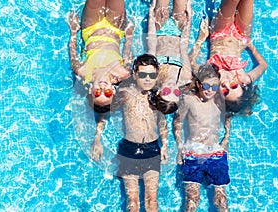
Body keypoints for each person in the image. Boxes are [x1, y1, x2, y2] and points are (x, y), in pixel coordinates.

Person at [91, 54, 169, 212]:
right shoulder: (125, 93)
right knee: (132, 202)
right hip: (129, 150)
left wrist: (165, 144)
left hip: (152, 149)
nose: (147, 79)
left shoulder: (157, 97)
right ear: (135, 75)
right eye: (142, 74)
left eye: (152, 75)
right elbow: (105, 112)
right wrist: (97, 139)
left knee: (152, 200)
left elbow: (162, 121)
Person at [189, 0, 268, 115]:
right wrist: (251, 47)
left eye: (225, 92)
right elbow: (264, 65)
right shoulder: (244, 78)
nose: (227, 85)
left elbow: (190, 62)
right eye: (233, 86)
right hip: (242, 35)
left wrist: (200, 40)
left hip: (219, 33)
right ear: (240, 85)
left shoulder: (211, 75)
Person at [174, 64, 229, 212]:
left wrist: (226, 140)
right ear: (198, 84)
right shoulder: (189, 100)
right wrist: (179, 147)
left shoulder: (219, 101)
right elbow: (177, 122)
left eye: (214, 86)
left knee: (221, 198)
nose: (210, 90)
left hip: (215, 152)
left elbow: (228, 119)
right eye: (206, 85)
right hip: (193, 152)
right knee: (192, 198)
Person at [68, 0, 134, 112]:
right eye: (107, 93)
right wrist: (129, 36)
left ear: (90, 90)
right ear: (113, 91)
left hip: (91, 27)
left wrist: (73, 31)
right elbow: (127, 53)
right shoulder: (124, 73)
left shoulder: (81, 71)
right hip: (115, 28)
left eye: (97, 93)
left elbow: (73, 50)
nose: (102, 88)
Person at [147, 0, 193, 114]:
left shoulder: (154, 75)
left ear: (158, 92)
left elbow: (152, 44)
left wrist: (151, 17)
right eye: (176, 93)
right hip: (178, 30)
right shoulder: (185, 76)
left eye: (167, 92)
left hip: (159, 29)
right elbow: (183, 47)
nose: (172, 88)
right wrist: (189, 20)